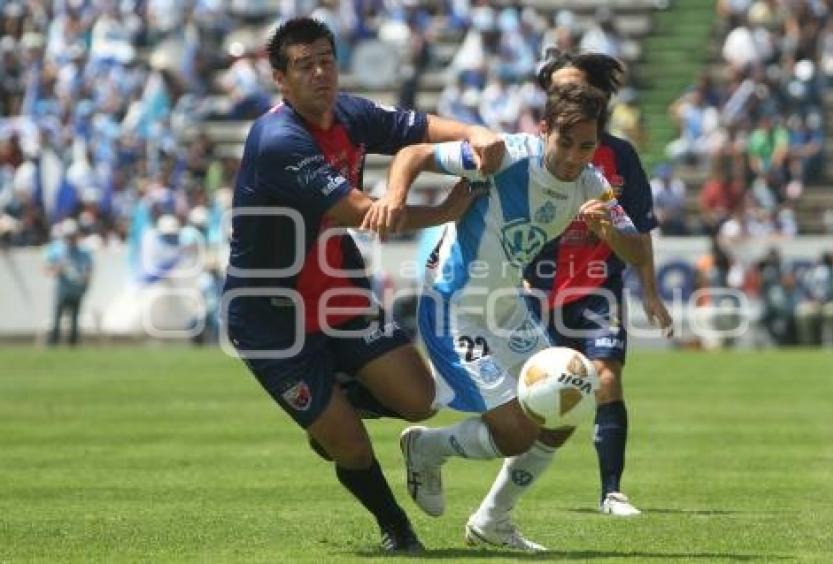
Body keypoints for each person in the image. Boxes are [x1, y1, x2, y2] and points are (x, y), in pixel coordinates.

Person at [220, 18, 504, 554]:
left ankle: (338, 395)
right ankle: (396, 529)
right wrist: (443, 211)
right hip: (269, 315)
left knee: (420, 402)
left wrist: (475, 132)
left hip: (339, 290)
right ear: (280, 79)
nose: (320, 72)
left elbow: (419, 127)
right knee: (348, 444)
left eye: (326, 59)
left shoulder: (349, 112)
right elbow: (364, 213)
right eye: (304, 65)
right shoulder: (278, 140)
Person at [361, 82, 646, 551]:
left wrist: (609, 232)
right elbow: (412, 155)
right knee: (514, 432)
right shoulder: (507, 155)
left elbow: (635, 250)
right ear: (544, 130)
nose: (574, 156)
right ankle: (426, 448)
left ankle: (491, 520)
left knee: (565, 405)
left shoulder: (593, 185)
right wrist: (394, 196)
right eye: (566, 142)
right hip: (454, 304)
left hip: (506, 306)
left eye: (586, 146)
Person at [496, 51, 672, 528]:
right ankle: (492, 496)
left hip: (597, 292)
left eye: (571, 86)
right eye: (555, 88)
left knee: (606, 379)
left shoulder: (617, 157)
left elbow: (640, 233)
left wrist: (650, 291)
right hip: (535, 294)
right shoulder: (528, 153)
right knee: (529, 408)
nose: (563, 94)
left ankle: (611, 491)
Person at [45, 218, 93, 346]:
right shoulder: (57, 250)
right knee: (57, 318)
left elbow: (89, 270)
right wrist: (58, 268)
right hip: (63, 290)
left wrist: (85, 285)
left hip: (77, 290)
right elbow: (48, 270)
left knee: (74, 319)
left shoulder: (84, 251)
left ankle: (73, 342)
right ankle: (54, 341)